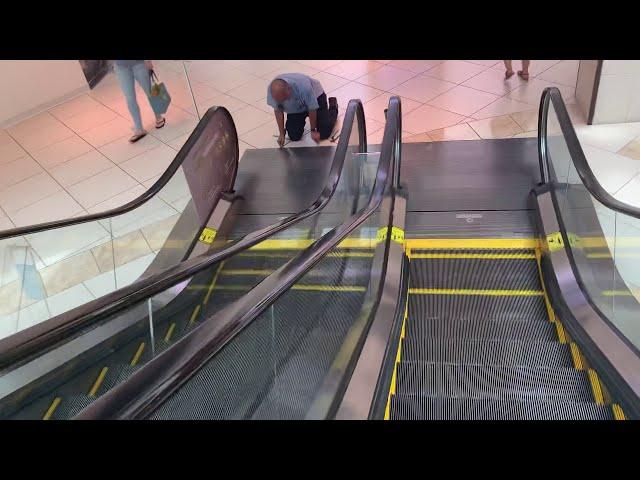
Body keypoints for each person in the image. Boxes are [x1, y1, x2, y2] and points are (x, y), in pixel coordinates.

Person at [266, 73, 338, 147]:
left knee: (324, 133)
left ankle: (333, 106)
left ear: (289, 89)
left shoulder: (304, 87)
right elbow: (278, 110)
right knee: (294, 136)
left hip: (317, 98)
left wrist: (313, 130)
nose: (282, 102)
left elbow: (312, 109)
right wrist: (281, 133)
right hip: (296, 108)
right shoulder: (273, 91)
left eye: (284, 99)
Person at [114, 60, 166, 143]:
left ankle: (159, 116)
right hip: (121, 67)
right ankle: (139, 128)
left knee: (150, 91)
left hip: (139, 63)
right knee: (129, 98)